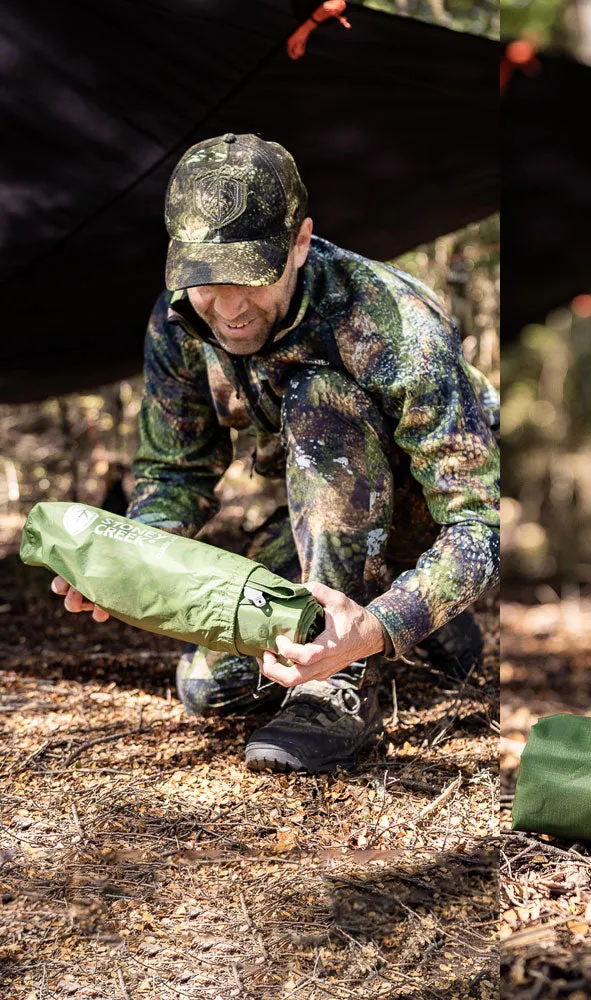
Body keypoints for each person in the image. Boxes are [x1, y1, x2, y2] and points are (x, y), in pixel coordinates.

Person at [50, 132, 499, 772]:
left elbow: (480, 526)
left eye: (252, 276)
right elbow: (176, 471)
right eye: (207, 277)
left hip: (424, 519)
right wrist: (128, 561)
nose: (229, 308)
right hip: (330, 527)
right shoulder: (180, 322)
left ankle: (344, 681)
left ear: (300, 242)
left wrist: (376, 628)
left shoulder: (393, 323)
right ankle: (403, 612)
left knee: (322, 401)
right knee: (209, 688)